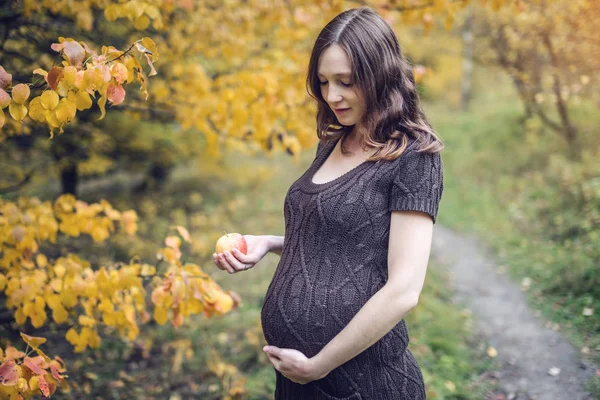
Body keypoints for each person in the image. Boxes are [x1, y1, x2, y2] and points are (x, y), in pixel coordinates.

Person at [213, 6, 443, 399]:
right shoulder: (335, 142)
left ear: (380, 75)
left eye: (346, 82)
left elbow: (404, 288)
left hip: (359, 384)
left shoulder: (414, 157)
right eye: (323, 81)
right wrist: (268, 243)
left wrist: (320, 365)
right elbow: (344, 242)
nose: (331, 95)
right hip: (298, 380)